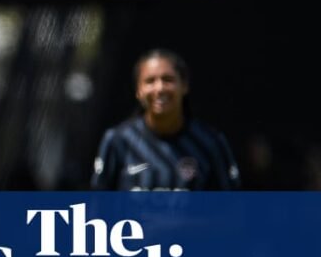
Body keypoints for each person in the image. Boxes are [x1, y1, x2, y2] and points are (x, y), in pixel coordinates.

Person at [91, 48, 241, 191]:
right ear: (138, 90)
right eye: (150, 81)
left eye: (168, 79)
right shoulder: (118, 141)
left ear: (184, 85)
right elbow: (99, 203)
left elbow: (230, 203)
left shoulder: (210, 142)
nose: (160, 88)